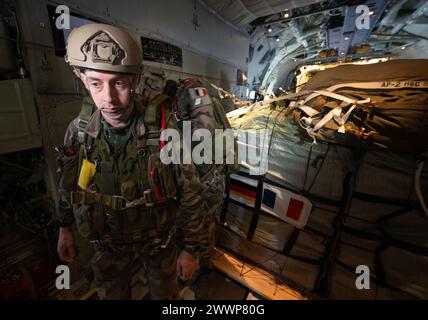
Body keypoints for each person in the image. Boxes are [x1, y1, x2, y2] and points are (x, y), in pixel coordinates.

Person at [55, 23, 205, 300]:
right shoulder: (79, 131)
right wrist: (65, 228)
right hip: (109, 244)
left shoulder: (163, 129)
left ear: (135, 81)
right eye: (96, 84)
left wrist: (191, 248)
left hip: (159, 243)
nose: (109, 98)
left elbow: (191, 191)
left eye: (119, 83)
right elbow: (67, 186)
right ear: (83, 80)